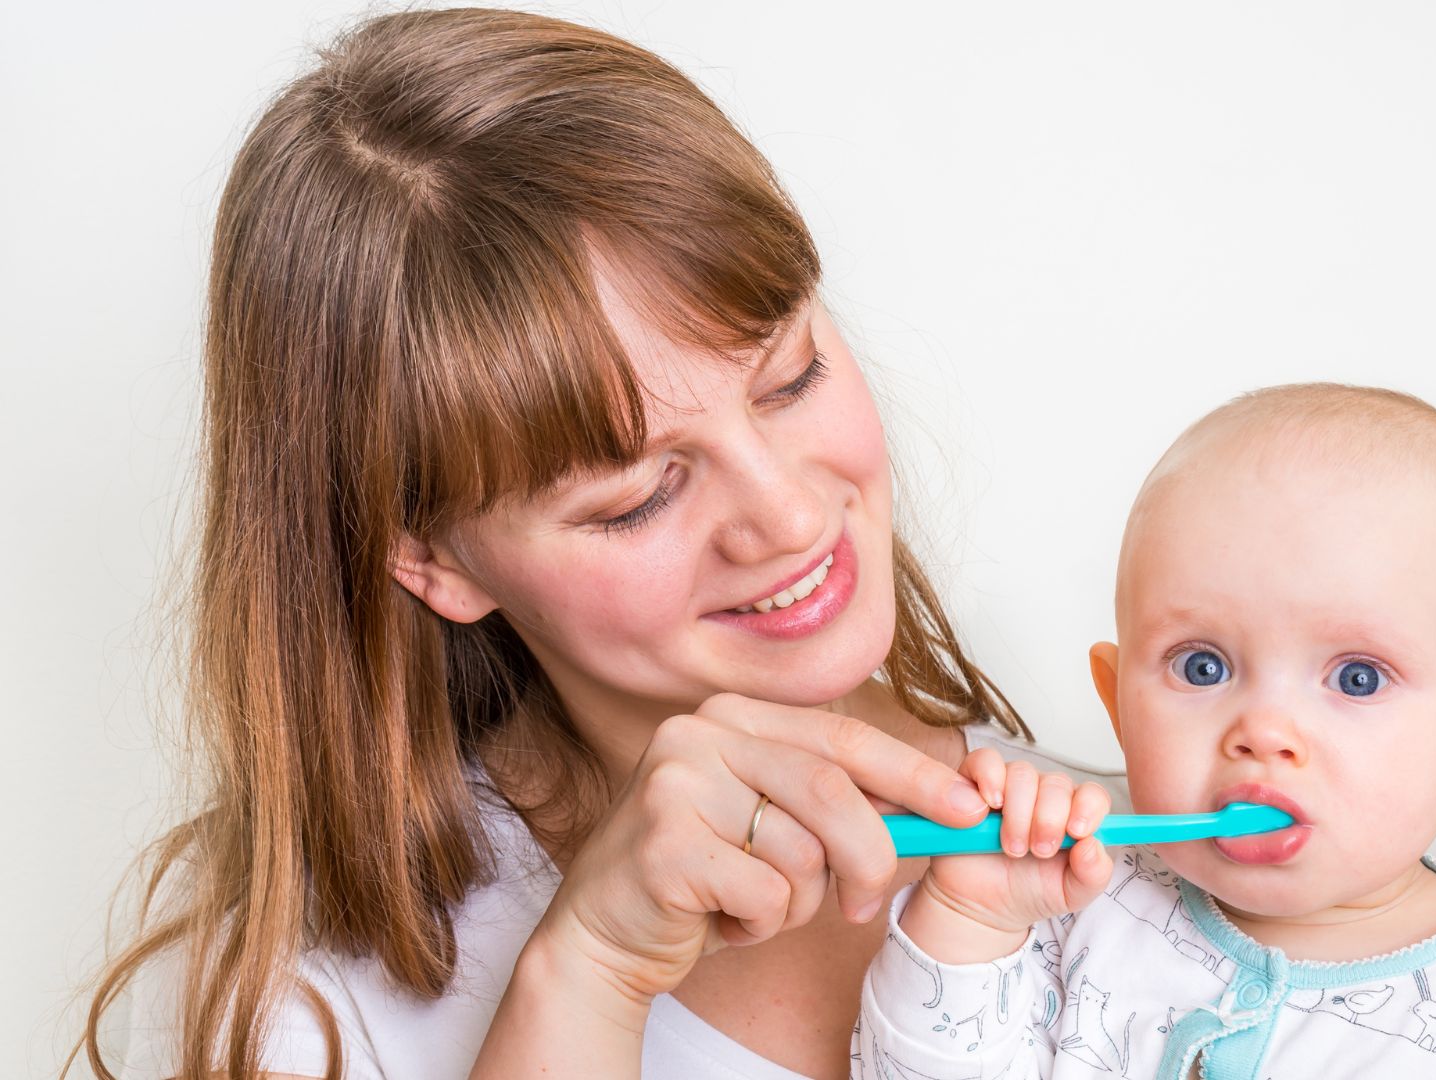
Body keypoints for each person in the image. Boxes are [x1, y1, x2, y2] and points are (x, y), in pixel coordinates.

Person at [73, 8, 1126, 1079]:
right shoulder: (305, 1006)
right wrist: (587, 972)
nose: (793, 516)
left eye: (792, 377)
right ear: (430, 557)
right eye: (637, 495)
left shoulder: (1152, 864)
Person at [854, 384, 1436, 1078]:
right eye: (1202, 667)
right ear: (1118, 703)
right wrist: (968, 921)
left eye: (1357, 678)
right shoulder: (1060, 909)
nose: (1264, 732)